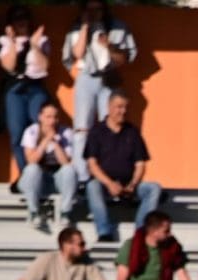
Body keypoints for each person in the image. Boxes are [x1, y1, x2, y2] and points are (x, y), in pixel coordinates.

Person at [62, 0, 136, 184]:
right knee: (82, 128)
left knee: (109, 127)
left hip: (109, 77)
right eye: (90, 9)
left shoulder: (117, 27)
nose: (94, 13)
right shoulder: (77, 27)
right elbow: (77, 54)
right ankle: (81, 175)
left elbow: (126, 57)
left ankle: (108, 175)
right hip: (86, 76)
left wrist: (108, 45)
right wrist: (85, 26)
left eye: (98, 9)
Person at [84, 91, 161, 244]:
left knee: (154, 188)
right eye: (119, 107)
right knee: (92, 186)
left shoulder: (132, 132)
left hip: (129, 185)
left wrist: (132, 184)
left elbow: (140, 164)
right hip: (105, 185)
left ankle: (140, 233)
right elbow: (92, 164)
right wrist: (110, 184)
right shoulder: (97, 131)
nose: (123, 111)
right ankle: (104, 232)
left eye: (125, 107)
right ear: (109, 107)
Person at [0, 4, 51, 177]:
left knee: (39, 129)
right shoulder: (4, 41)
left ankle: (40, 172)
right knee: (17, 132)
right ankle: (25, 174)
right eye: (17, 19)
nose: (21, 22)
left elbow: (44, 66)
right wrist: (12, 42)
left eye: (24, 18)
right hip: (15, 89)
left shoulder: (41, 39)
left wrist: (34, 46)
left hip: (36, 88)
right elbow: (9, 66)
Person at [17, 103, 76, 230]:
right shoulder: (31, 131)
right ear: (40, 117)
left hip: (56, 179)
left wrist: (55, 143)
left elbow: (65, 162)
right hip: (35, 180)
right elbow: (31, 160)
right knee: (32, 169)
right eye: (48, 117)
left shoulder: (66, 132)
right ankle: (34, 212)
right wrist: (46, 140)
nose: (52, 121)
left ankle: (65, 213)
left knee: (69, 170)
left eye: (55, 117)